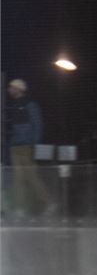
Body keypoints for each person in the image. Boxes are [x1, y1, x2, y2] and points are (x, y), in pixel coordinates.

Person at [6, 78, 55, 218]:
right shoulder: (14, 106)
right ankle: (19, 208)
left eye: (12, 87)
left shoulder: (30, 104)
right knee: (17, 178)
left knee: (31, 176)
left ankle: (49, 202)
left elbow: (37, 124)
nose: (9, 90)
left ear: (19, 89)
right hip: (15, 146)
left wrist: (35, 144)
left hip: (26, 146)